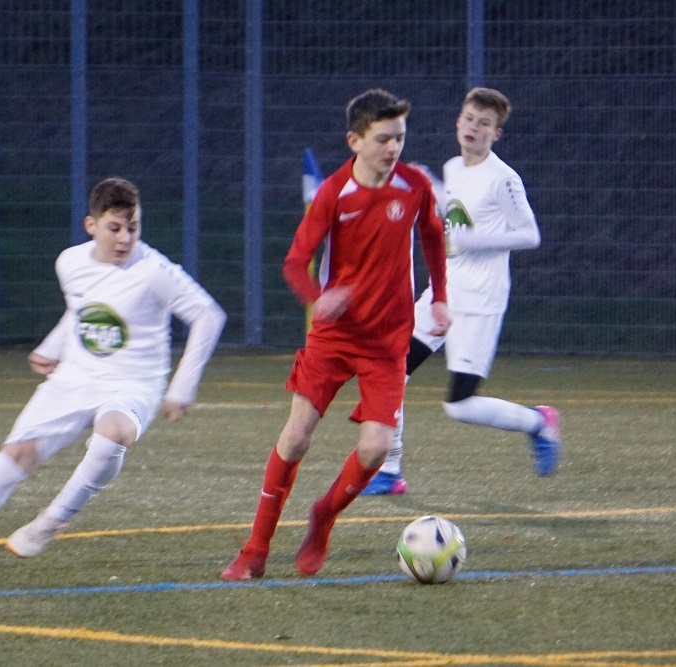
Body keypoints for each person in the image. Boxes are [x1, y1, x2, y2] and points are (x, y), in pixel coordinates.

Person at [0, 177, 226, 572]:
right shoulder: (70, 262)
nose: (125, 238)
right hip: (75, 378)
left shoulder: (155, 271)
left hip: (133, 383)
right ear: (91, 225)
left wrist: (182, 386)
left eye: (133, 228)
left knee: (114, 431)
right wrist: (53, 347)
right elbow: (81, 308)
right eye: (114, 228)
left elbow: (208, 315)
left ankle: (52, 520)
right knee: (17, 455)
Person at [221, 89, 450, 581]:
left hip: (387, 342)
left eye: (400, 138)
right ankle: (255, 550)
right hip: (334, 336)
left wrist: (440, 297)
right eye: (383, 139)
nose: (393, 148)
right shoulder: (333, 193)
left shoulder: (414, 185)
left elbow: (434, 235)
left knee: (375, 449)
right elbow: (294, 261)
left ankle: (323, 516)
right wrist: (316, 298)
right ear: (355, 141)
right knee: (296, 437)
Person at [361, 87, 561, 496]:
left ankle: (538, 422)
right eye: (469, 118)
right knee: (390, 369)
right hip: (443, 294)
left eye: (484, 124)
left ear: (496, 134)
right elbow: (452, 212)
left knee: (460, 406)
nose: (474, 127)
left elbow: (530, 234)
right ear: (458, 121)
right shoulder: (454, 167)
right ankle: (389, 471)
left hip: (480, 301)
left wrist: (474, 240)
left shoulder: (503, 179)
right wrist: (431, 185)